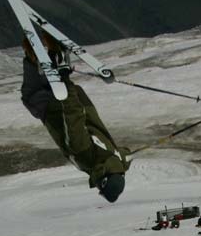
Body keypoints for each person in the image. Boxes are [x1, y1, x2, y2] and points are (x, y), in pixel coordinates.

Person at [20, 36, 129, 203]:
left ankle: (54, 52)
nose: (97, 188)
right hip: (54, 105)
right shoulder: (87, 158)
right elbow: (72, 121)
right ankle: (42, 49)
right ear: (103, 182)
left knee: (40, 82)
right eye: (101, 189)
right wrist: (65, 82)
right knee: (30, 94)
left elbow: (124, 153)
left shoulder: (116, 160)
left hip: (80, 103)